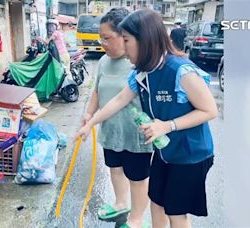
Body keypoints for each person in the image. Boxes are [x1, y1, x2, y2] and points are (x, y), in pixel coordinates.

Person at [76, 9, 218, 228]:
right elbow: (118, 100)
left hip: (191, 154)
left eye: (126, 40)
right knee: (157, 201)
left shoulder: (181, 71)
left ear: (144, 39)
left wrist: (168, 126)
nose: (123, 48)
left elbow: (210, 110)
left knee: (176, 212)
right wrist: (91, 123)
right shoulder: (142, 72)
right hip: (165, 151)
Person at [82, 8, 153, 228]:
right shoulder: (103, 61)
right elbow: (96, 91)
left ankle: (137, 219)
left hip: (135, 134)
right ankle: (121, 203)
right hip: (111, 129)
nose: (103, 43)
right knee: (115, 168)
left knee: (138, 178)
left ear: (125, 35)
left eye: (107, 38)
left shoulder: (141, 64)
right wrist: (88, 113)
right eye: (100, 38)